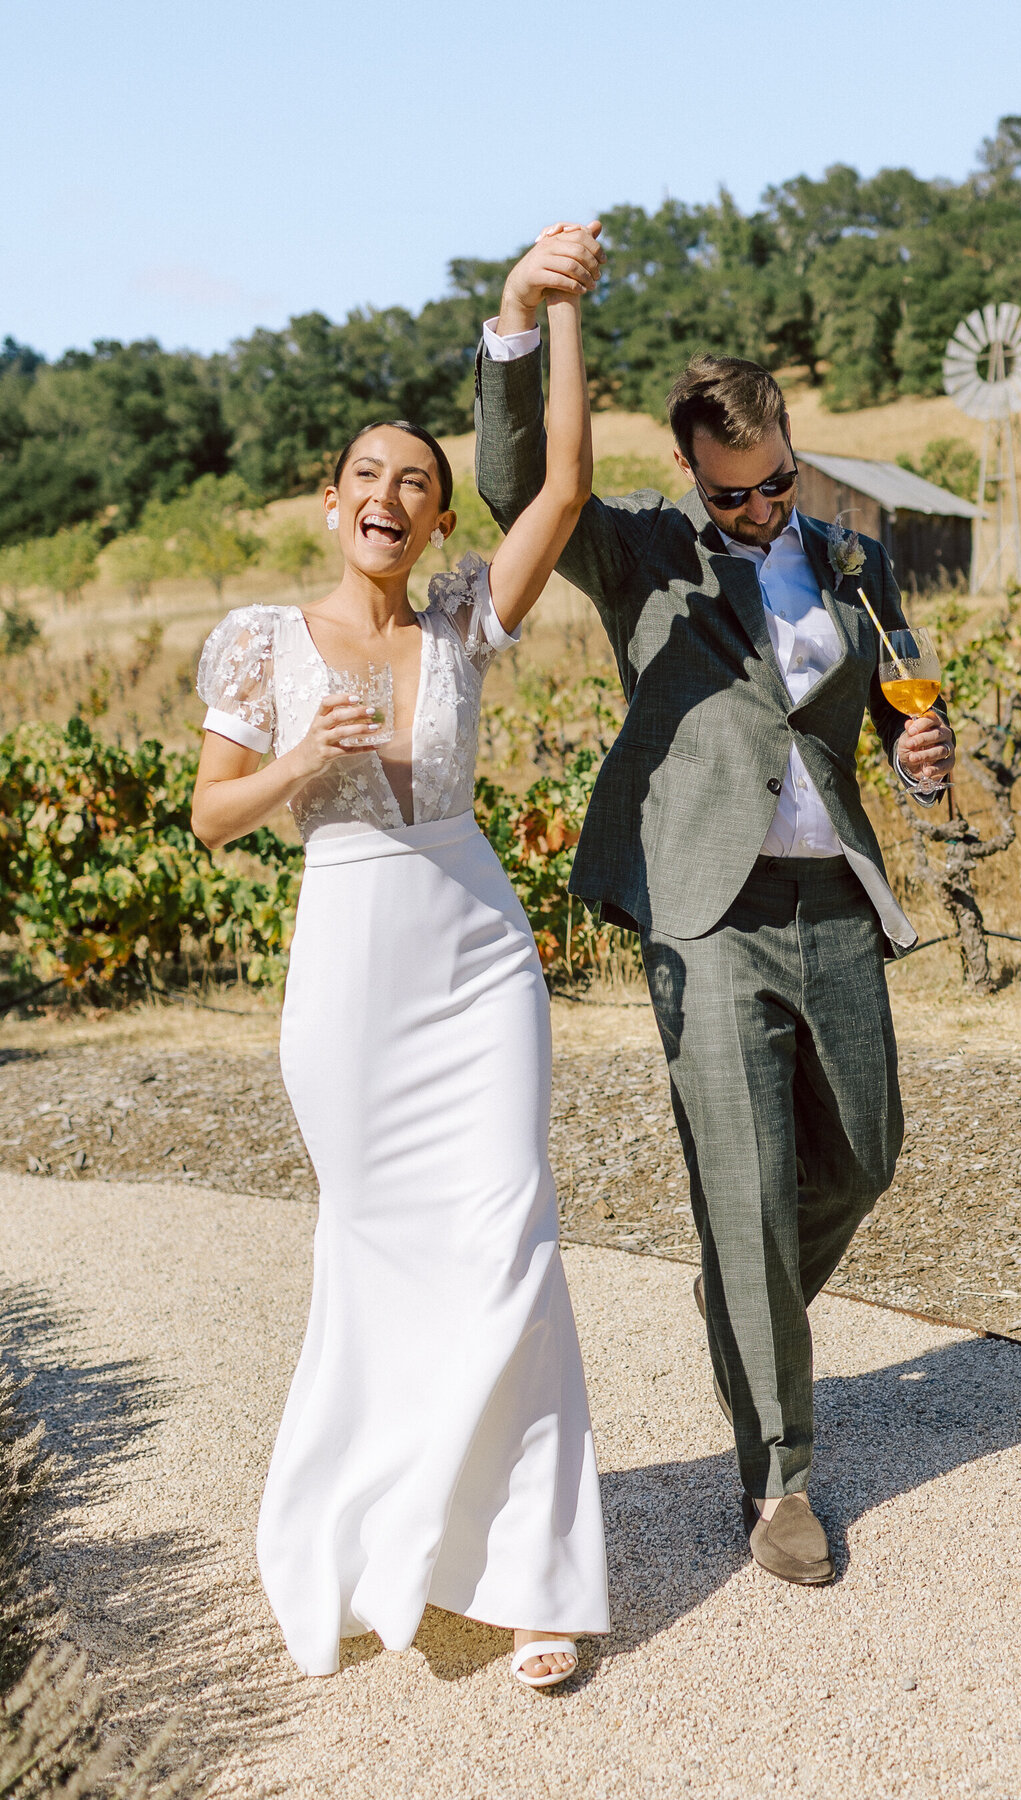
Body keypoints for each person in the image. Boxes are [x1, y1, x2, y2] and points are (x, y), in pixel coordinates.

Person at [475, 223, 955, 1588]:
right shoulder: (637, 554)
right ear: (692, 470)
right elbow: (518, 484)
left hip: (836, 902)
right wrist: (525, 315)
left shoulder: (859, 563)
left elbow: (905, 703)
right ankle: (780, 1484)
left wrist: (929, 754)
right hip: (703, 912)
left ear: (792, 455)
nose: (759, 510)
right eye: (733, 492)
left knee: (867, 1152)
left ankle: (741, 1308)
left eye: (775, 485)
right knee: (742, 1193)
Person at [190, 259, 609, 1688]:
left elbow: (560, 484)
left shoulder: (457, 627)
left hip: (476, 955)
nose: (392, 493)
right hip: (349, 965)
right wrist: (301, 761)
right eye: (368, 473)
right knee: (379, 1252)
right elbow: (210, 813)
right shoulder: (255, 641)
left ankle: (539, 1583)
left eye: (418, 480)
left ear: (434, 516)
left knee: (512, 1243)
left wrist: (552, 305)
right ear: (332, 502)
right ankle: (386, 1530)